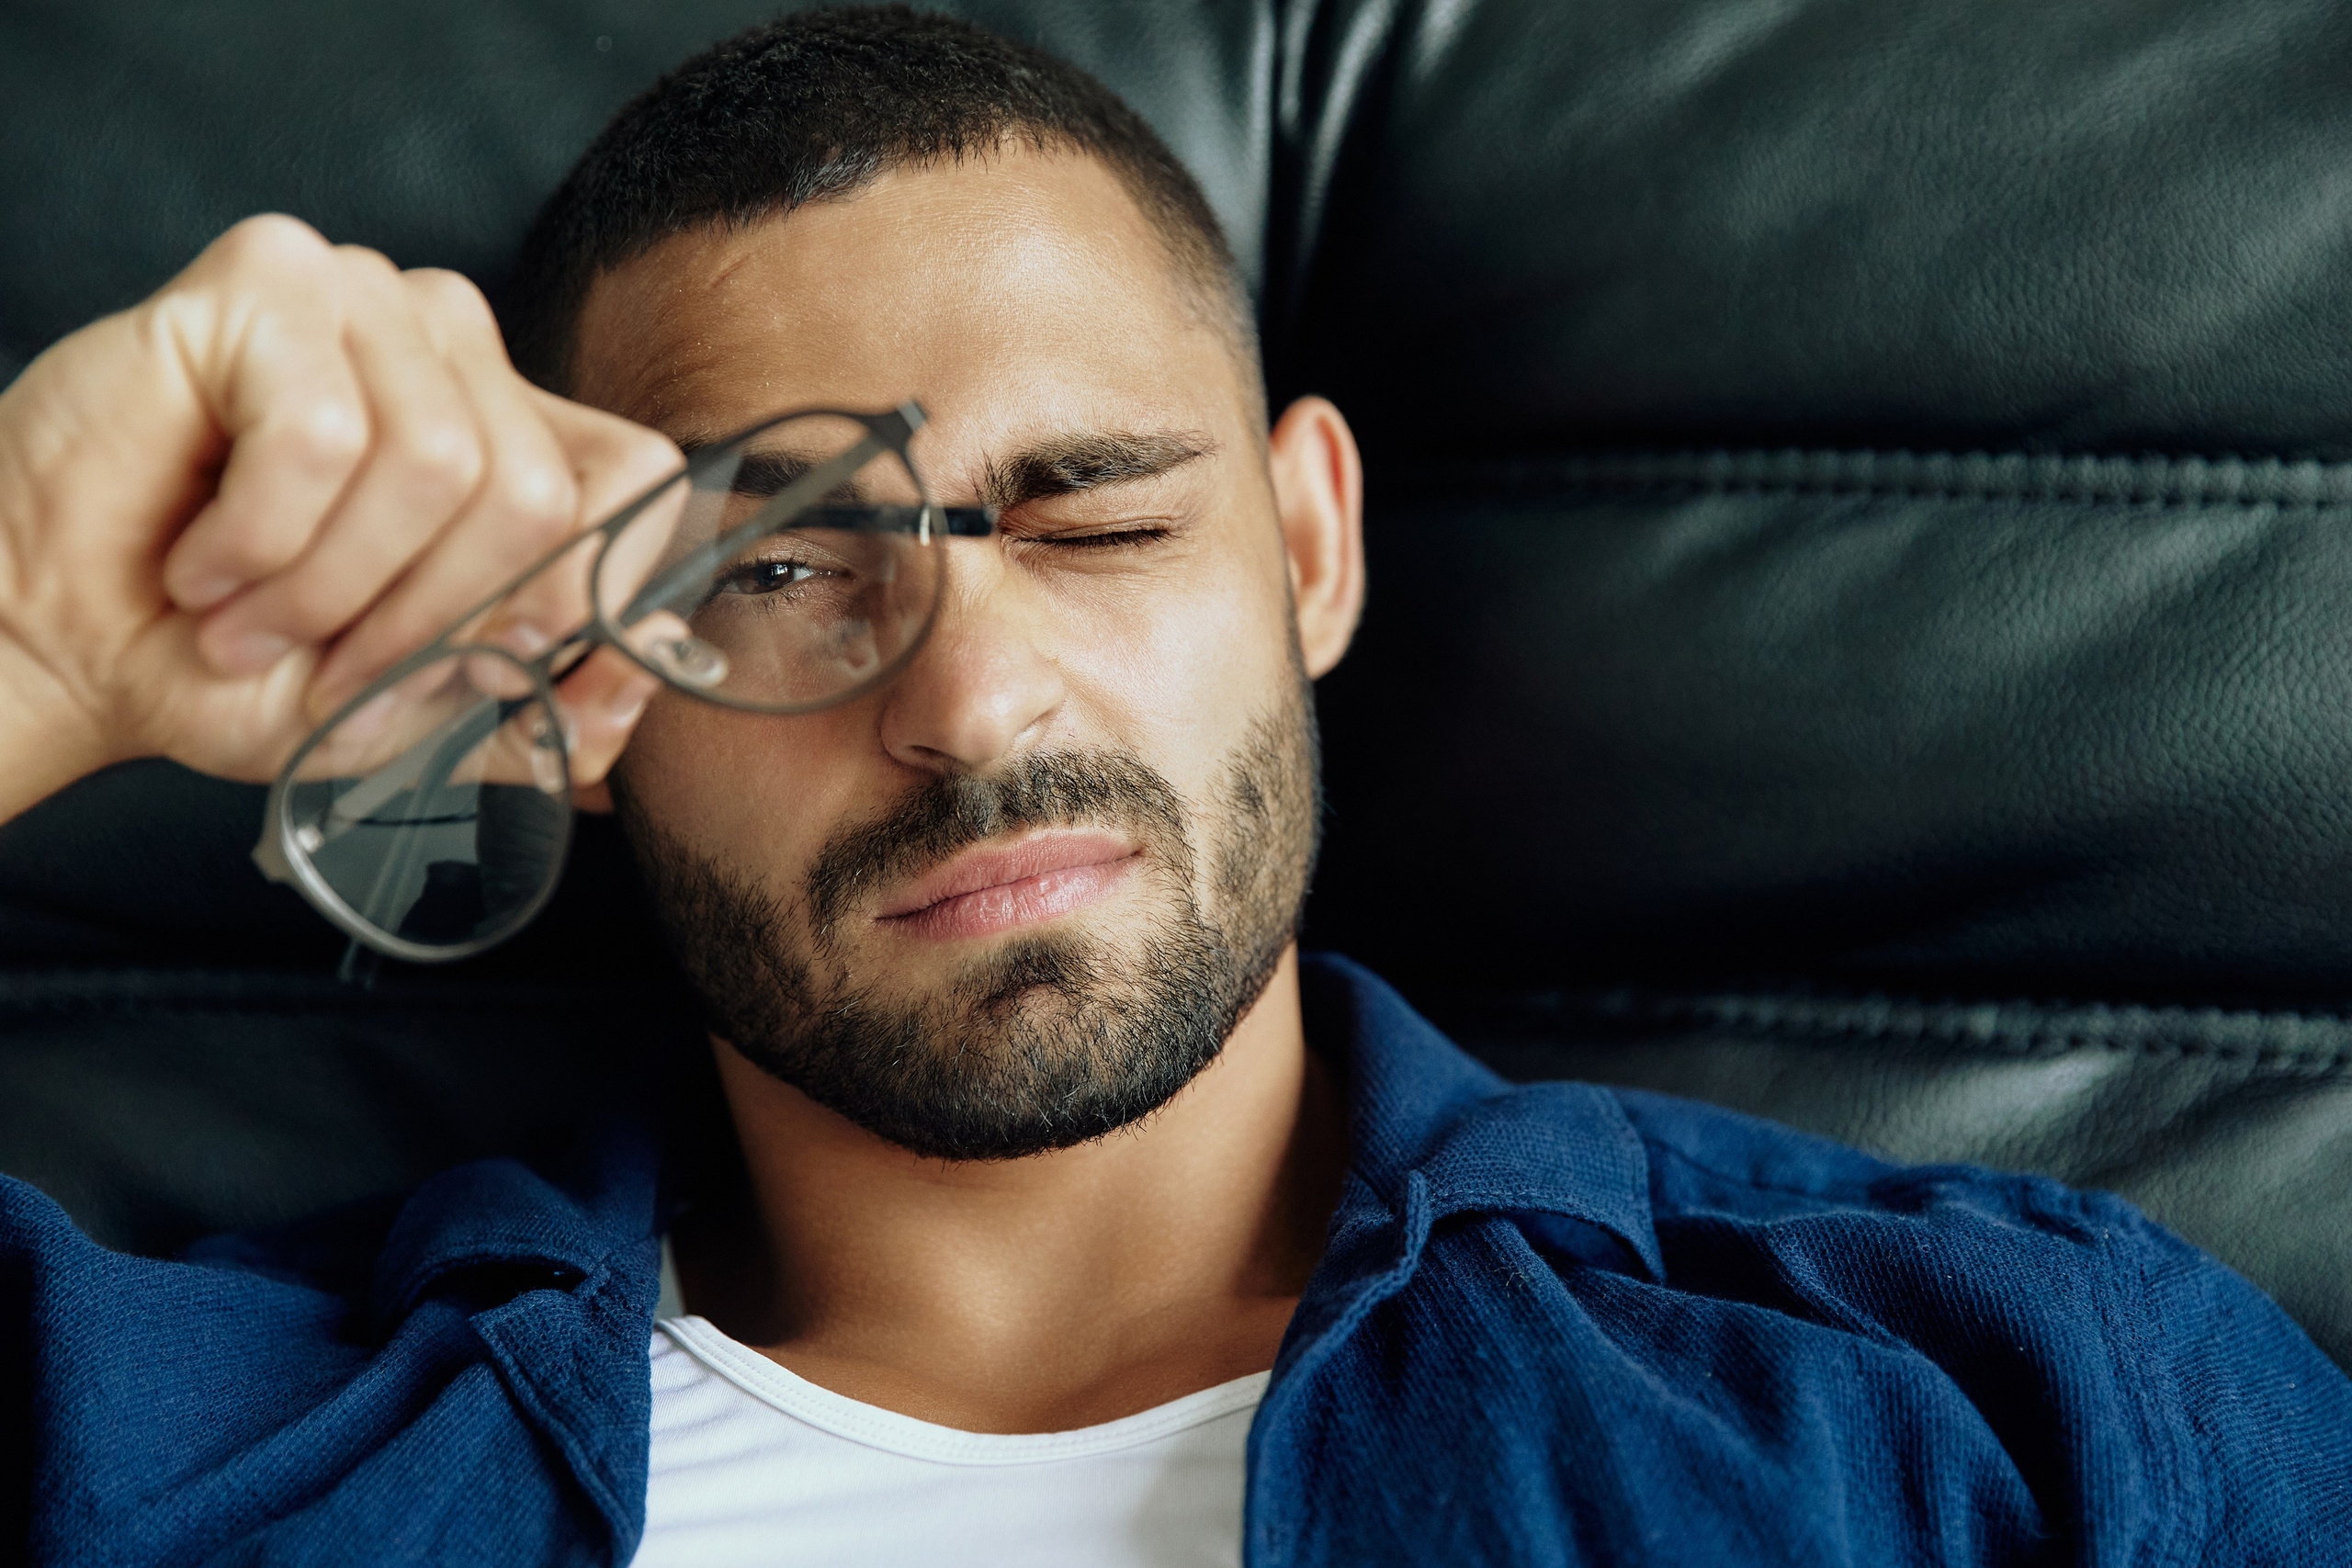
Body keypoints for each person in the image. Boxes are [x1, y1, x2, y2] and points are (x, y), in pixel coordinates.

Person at [0, 8, 2346, 1565]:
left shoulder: (1998, 1401)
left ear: (1309, 544)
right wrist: (24, 631)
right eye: (784, 565)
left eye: (1099, 512)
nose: (976, 697)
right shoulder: (174, 1450)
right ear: (574, 686)